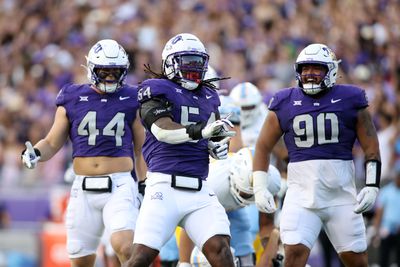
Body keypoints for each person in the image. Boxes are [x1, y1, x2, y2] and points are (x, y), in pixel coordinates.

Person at [253, 43, 381, 267]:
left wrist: (372, 185)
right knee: (292, 257)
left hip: (340, 196)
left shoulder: (350, 98)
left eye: (316, 68)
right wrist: (259, 186)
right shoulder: (285, 101)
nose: (309, 73)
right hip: (301, 197)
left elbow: (371, 146)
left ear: (330, 71)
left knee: (357, 261)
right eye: (305, 68)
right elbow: (263, 146)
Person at [21, 39, 147, 267]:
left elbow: (142, 148)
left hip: (119, 186)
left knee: (125, 247)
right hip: (83, 188)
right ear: (91, 69)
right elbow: (51, 141)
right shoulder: (72, 96)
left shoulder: (131, 97)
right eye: (104, 72)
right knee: (80, 260)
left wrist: (145, 183)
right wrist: (36, 153)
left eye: (115, 72)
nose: (110, 77)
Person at [123, 33, 236, 267]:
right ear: (170, 63)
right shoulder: (156, 88)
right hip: (164, 186)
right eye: (188, 62)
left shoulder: (209, 95)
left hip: (199, 188)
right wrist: (204, 132)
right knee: (140, 259)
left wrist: (216, 146)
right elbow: (162, 130)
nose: (195, 68)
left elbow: (210, 137)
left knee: (222, 252)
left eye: (198, 62)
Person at [178, 147, 282, 267]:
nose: (250, 197)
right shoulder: (213, 183)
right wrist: (184, 263)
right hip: (202, 202)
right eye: (246, 194)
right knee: (205, 256)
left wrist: (273, 249)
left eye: (254, 194)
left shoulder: (271, 181)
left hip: (231, 204)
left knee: (245, 258)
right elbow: (190, 224)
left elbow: (266, 225)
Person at [371, 162, 400, 267]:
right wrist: (376, 230)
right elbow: (379, 212)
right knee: (384, 258)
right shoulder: (386, 191)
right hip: (386, 230)